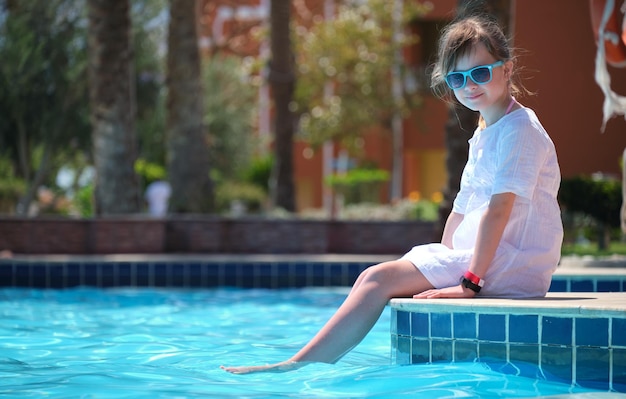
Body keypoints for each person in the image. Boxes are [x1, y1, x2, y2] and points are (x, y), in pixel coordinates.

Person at [221, 12, 563, 374]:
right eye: (457, 78)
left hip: (510, 266)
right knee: (379, 276)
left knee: (377, 278)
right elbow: (460, 212)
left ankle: (296, 367)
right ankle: (302, 363)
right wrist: (441, 261)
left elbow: (500, 210)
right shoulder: (485, 133)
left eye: (480, 72)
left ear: (507, 69)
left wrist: (469, 282)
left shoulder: (519, 129)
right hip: (485, 260)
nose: (469, 85)